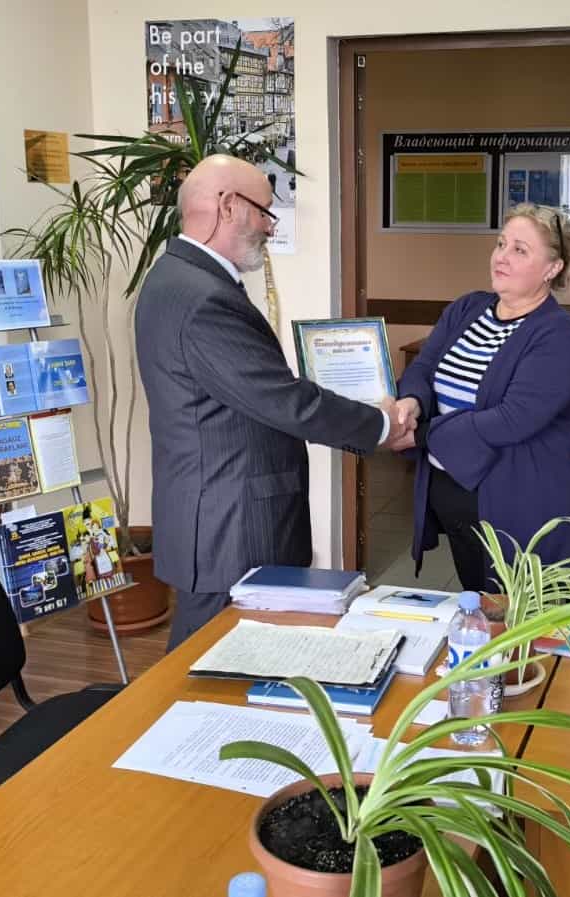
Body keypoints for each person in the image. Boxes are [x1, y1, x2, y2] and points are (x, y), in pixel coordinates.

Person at [135, 154, 413, 650]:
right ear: (227, 206)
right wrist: (381, 425)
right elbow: (284, 401)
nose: (269, 226)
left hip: (214, 517)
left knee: (215, 663)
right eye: (265, 211)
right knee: (213, 666)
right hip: (230, 529)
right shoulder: (203, 297)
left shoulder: (174, 277)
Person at [390, 203, 570, 590]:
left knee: (521, 615)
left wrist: (423, 434)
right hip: (454, 493)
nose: (502, 257)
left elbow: (513, 419)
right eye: (501, 244)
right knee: (480, 605)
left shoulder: (557, 334)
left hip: (520, 501)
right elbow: (423, 367)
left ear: (552, 268)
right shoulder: (468, 308)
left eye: (520, 250)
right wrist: (411, 402)